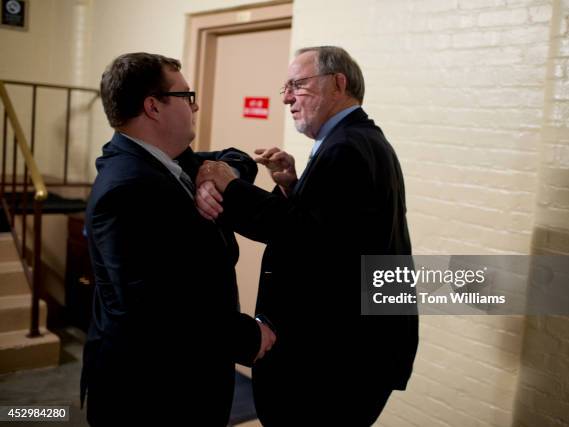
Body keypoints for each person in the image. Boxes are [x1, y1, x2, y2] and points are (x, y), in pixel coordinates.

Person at [195, 46, 418, 426]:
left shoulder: (345, 148)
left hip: (338, 357)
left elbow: (300, 236)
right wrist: (292, 187)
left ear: (338, 84)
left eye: (297, 85)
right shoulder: (361, 139)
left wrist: (230, 187)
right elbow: (334, 233)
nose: (285, 98)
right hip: (361, 346)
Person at [80, 52, 276, 426]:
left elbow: (237, 158)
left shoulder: (168, 160)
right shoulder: (127, 188)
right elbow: (153, 307)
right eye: (187, 96)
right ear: (153, 106)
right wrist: (245, 335)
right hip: (153, 393)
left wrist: (215, 174)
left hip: (188, 379)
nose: (195, 105)